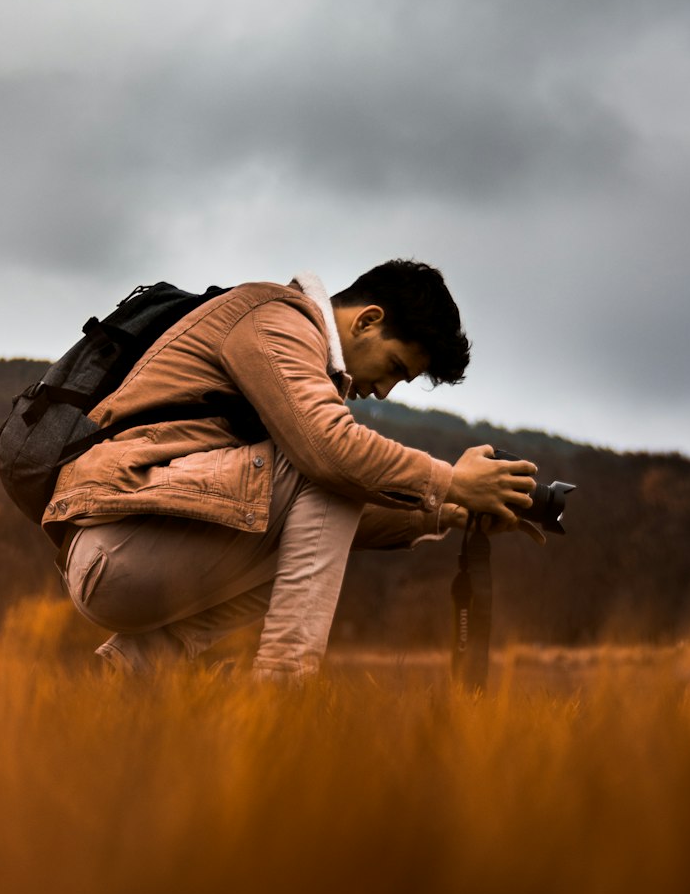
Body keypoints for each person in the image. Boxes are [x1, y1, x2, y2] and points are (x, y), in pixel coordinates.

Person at [46, 260, 539, 678]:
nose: (385, 391)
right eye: (393, 367)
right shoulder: (274, 319)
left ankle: (125, 671)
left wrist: (449, 510)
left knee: (330, 479)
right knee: (332, 463)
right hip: (117, 544)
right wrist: (451, 480)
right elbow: (331, 459)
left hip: (135, 551)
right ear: (367, 320)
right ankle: (285, 692)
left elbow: (319, 519)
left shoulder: (298, 360)